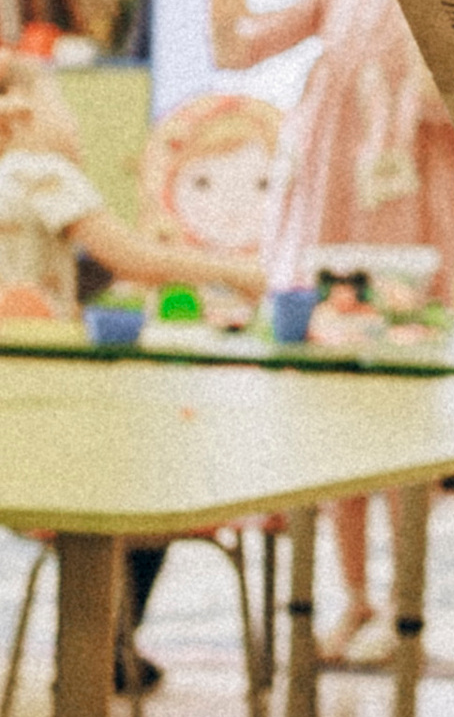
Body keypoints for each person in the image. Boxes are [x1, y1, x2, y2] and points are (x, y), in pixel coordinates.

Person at [207, 0, 454, 663]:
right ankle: (352, 595)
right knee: (334, 418)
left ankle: (405, 604)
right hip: (329, 227)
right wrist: (226, 2)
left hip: (404, 236)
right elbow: (237, 51)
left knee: (400, 424)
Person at [1, 58, 266, 680]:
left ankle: (102, 647)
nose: (75, 125)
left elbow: (82, 277)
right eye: (65, 106)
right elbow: (126, 259)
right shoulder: (42, 173)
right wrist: (233, 272)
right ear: (23, 112)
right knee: (152, 483)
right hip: (43, 415)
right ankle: (101, 651)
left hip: (18, 415)